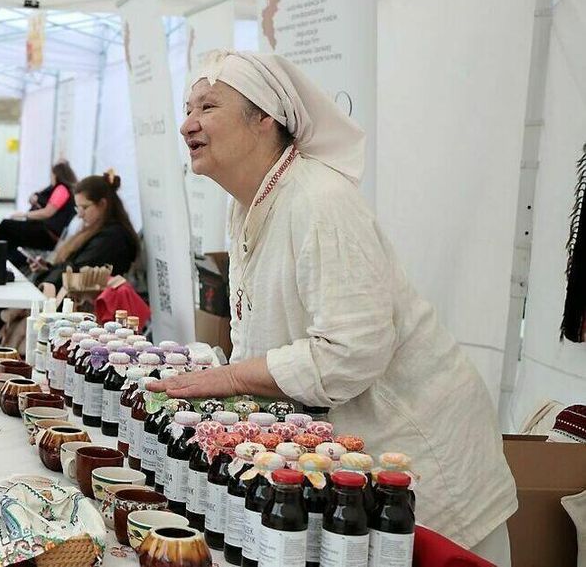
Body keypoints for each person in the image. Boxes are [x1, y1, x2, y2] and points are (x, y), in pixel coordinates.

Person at [152, 50, 515, 563]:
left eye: (208, 106)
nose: (188, 123)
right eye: (188, 107)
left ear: (265, 120)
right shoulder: (249, 205)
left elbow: (354, 351)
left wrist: (233, 379)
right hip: (345, 484)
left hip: (422, 475)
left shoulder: (320, 201)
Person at [28, 171, 138, 290]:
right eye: (78, 208)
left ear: (102, 204)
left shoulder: (112, 237)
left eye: (84, 207)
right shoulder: (103, 232)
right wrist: (48, 268)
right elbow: (75, 268)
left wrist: (46, 274)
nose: (80, 215)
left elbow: (77, 272)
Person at [0, 160, 78, 268]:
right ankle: (14, 262)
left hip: (48, 234)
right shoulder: (61, 189)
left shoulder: (61, 189)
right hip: (48, 233)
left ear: (57, 175)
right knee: (9, 230)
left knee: (5, 226)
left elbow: (48, 212)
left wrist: (24, 215)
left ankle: (17, 262)